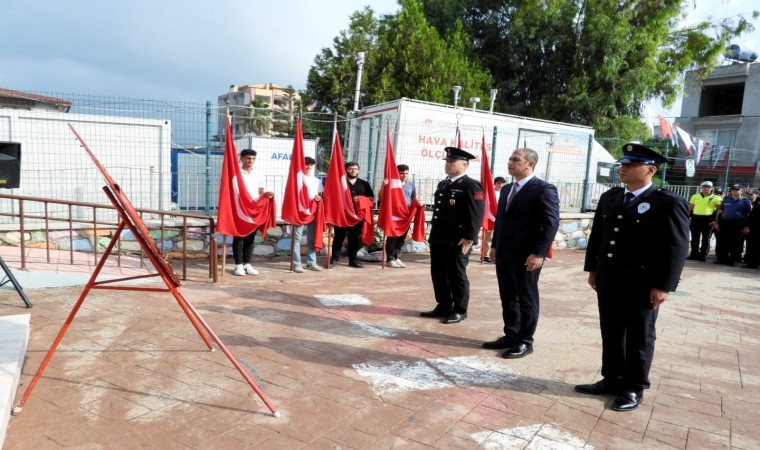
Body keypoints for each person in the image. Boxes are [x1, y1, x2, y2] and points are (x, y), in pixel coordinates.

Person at [576, 143, 689, 412]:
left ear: (651, 170)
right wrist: (593, 269)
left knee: (639, 336)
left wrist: (664, 285)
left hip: (642, 283)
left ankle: (634, 387)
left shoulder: (668, 202)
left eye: (631, 164)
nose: (623, 168)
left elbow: (676, 247)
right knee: (611, 330)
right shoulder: (611, 197)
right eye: (623, 164)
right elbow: (599, 236)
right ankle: (612, 378)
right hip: (610, 278)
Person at [482, 149, 560, 359]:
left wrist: (539, 253)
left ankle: (525, 341)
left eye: (515, 159)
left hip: (527, 255)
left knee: (526, 297)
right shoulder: (507, 189)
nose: (510, 162)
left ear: (530, 164)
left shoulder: (543, 189)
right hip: (505, 252)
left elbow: (550, 223)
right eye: (509, 158)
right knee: (508, 296)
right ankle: (511, 334)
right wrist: (495, 245)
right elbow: (501, 219)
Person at [421, 147, 485, 324]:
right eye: (447, 161)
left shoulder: (471, 185)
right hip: (439, 237)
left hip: (458, 239)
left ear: (464, 165)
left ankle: (459, 310)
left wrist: (470, 237)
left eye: (452, 162)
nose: (448, 164)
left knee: (456, 274)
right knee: (438, 274)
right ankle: (443, 305)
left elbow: (476, 213)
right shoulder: (444, 184)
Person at [232, 149, 273, 276]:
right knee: (239, 237)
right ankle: (238, 265)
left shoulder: (259, 174)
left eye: (253, 158)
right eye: (248, 158)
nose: (251, 161)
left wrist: (266, 195)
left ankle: (247, 263)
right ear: (241, 159)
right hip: (239, 209)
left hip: (253, 209)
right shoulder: (235, 174)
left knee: (250, 238)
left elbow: (260, 192)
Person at [330, 162, 374, 269]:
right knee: (338, 237)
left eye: (355, 169)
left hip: (357, 216)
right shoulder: (340, 183)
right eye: (350, 168)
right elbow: (332, 196)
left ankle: (353, 260)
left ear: (358, 170)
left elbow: (371, 199)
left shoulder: (364, 184)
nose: (353, 171)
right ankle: (334, 259)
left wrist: (361, 199)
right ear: (346, 170)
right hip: (342, 215)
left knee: (354, 239)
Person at [380, 164, 422, 268]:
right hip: (394, 214)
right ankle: (390, 259)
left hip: (406, 215)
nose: (404, 175)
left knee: (402, 238)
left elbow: (413, 198)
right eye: (402, 173)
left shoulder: (411, 184)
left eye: (406, 173)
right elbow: (381, 197)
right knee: (392, 237)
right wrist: (383, 186)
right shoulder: (391, 183)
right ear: (397, 173)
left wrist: (418, 202)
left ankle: (396, 257)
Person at [292, 157, 324, 273]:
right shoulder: (296, 179)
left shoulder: (317, 181)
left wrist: (319, 198)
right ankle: (296, 263)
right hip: (300, 211)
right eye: (306, 164)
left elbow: (320, 195)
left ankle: (311, 262)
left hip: (313, 210)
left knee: (312, 237)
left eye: (310, 165)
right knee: (297, 238)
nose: (308, 166)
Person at [713, 184, 752, 266]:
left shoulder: (745, 201)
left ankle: (732, 260)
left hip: (737, 224)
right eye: (733, 190)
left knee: (734, 242)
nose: (734, 191)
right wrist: (716, 222)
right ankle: (722, 258)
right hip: (725, 223)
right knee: (722, 241)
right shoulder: (726, 200)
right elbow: (720, 211)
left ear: (742, 191)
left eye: (737, 190)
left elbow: (749, 215)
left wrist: (747, 226)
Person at [687, 181, 722, 261]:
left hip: (708, 219)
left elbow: (719, 211)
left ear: (712, 188)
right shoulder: (695, 196)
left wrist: (716, 221)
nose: (706, 189)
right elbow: (690, 207)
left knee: (706, 238)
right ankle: (694, 253)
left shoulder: (716, 198)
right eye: (704, 187)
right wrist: (687, 217)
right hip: (696, 218)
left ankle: (702, 255)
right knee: (695, 237)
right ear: (701, 188)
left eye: (708, 187)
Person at [482, 176, 507, 264]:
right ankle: (486, 255)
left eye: (502, 183)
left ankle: (496, 254)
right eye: (499, 183)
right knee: (489, 238)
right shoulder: (491, 194)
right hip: (491, 219)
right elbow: (488, 208)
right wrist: (494, 219)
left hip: (502, 220)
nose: (501, 185)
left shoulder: (505, 193)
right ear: (494, 183)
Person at [742, 189, 760, 269]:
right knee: (752, 246)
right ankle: (752, 263)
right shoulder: (757, 203)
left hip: (756, 227)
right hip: (754, 228)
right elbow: (752, 216)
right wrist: (747, 226)